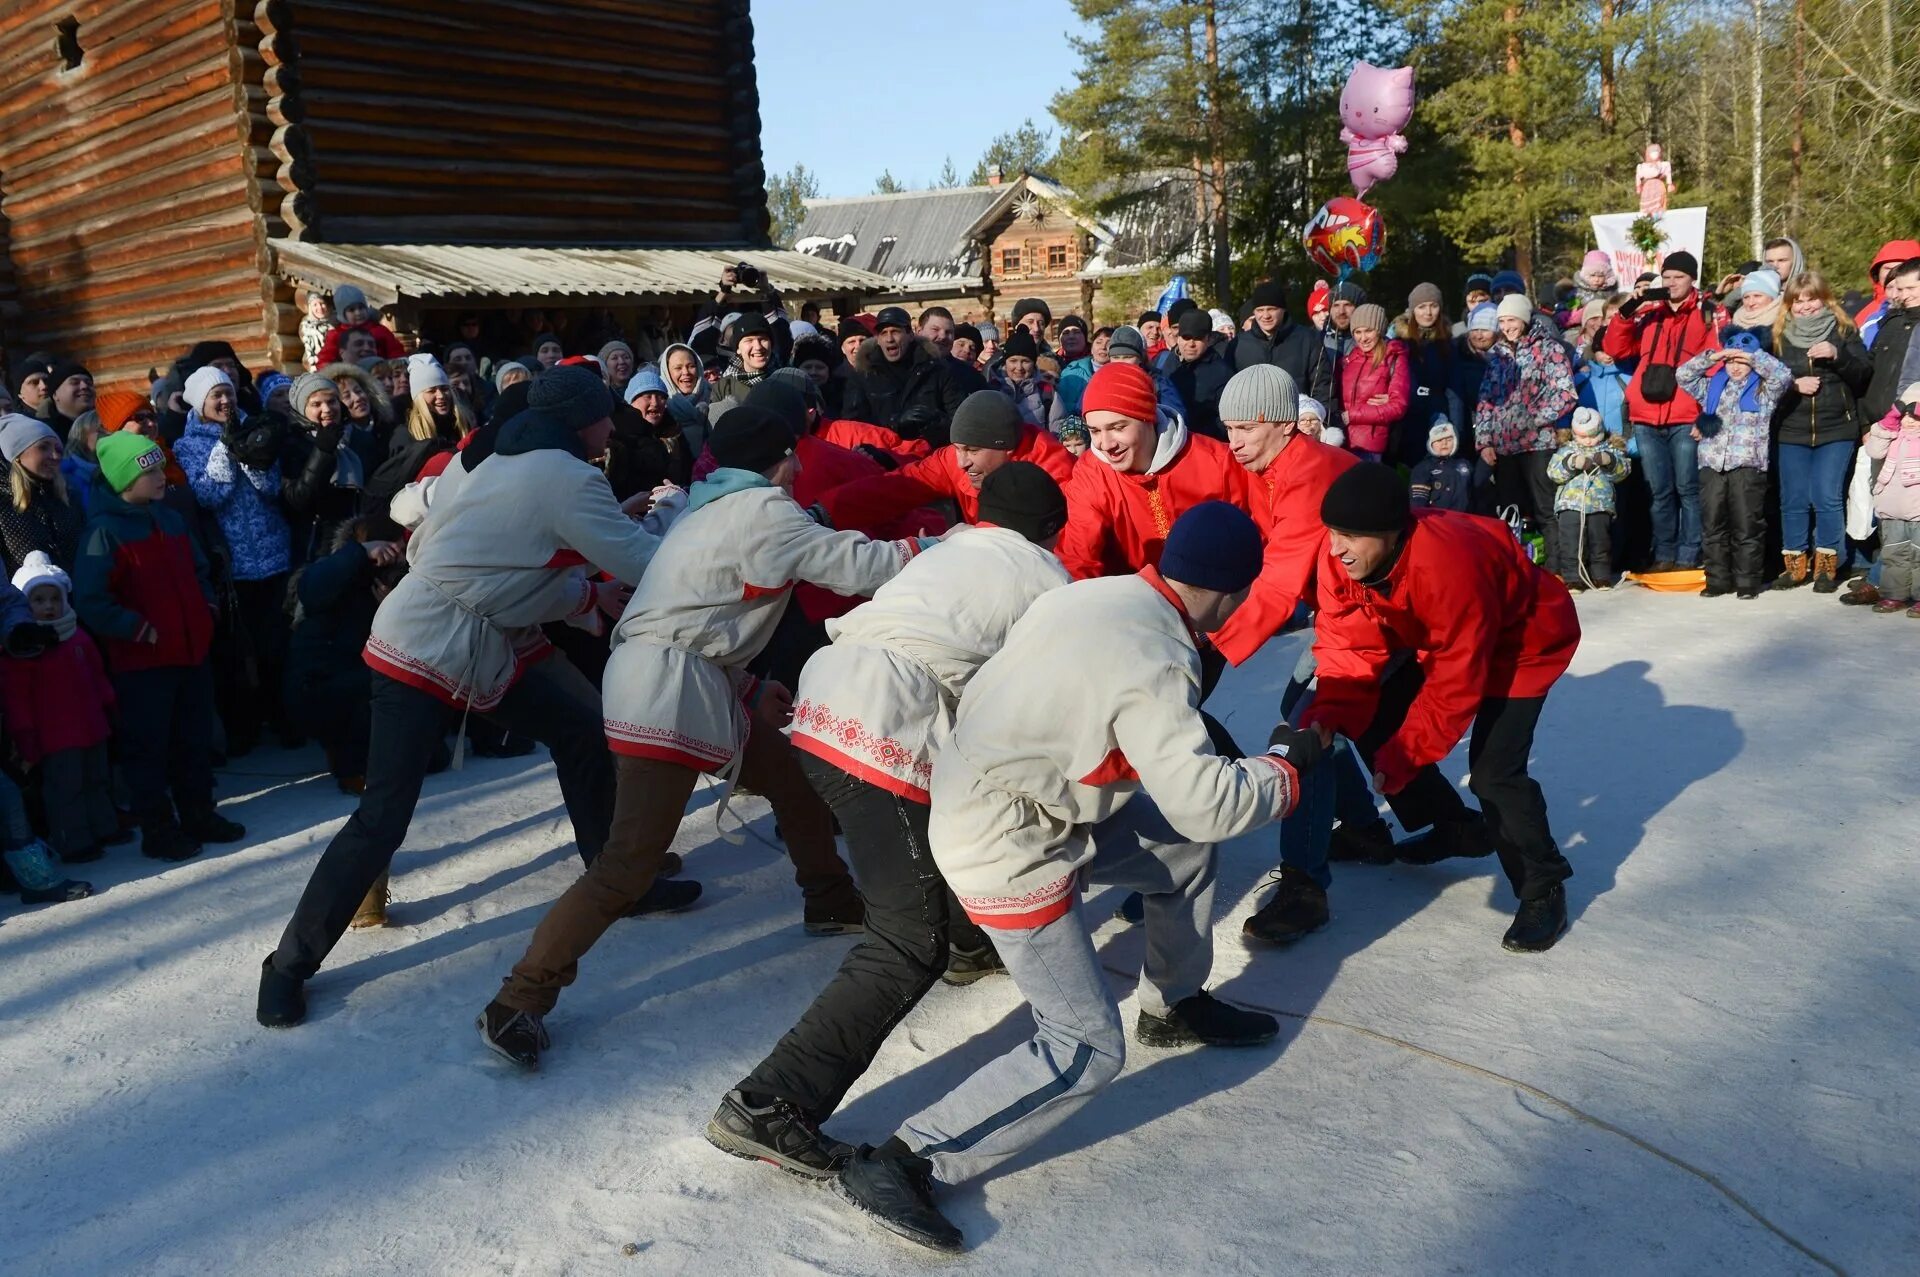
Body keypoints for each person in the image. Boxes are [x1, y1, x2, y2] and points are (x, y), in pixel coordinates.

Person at [829, 502, 1319, 1254]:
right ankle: (907, 1158)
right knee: (1085, 1043)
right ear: (1233, 592)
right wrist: (1286, 768)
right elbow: (1207, 800)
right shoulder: (1159, 656)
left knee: (1181, 852)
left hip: (1018, 801)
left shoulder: (1096, 592)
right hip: (1005, 844)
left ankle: (1174, 1001)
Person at [478, 404, 928, 1067]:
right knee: (627, 864)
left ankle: (830, 898)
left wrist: (745, 687)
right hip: (668, 693)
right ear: (779, 458)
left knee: (794, 779)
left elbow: (695, 611)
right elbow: (859, 565)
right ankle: (518, 999)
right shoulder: (764, 511)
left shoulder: (709, 510)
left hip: (677, 681)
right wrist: (942, 550)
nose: (801, 464)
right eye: (794, 453)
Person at [257, 367, 667, 1028]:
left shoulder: (497, 460)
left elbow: (510, 575)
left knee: (581, 732)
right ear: (580, 420)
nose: (612, 427)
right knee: (384, 814)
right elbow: (648, 563)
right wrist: (716, 547)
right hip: (420, 646)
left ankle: (615, 880)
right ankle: (287, 965)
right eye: (604, 415)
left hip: (479, 648)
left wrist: (588, 596)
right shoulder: (566, 477)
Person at [706, 463, 1074, 1176]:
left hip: (827, 692)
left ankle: (967, 941)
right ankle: (771, 1101)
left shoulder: (950, 547)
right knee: (906, 939)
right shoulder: (1047, 579)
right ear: (1052, 530)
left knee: (928, 835)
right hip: (885, 718)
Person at [1302, 463, 1579, 950]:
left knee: (1495, 773)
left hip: (1523, 644)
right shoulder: (1342, 561)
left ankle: (1542, 885)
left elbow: (1455, 682)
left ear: (1391, 533)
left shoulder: (1448, 564)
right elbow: (1348, 644)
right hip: (1440, 635)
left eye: (1350, 536)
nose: (1336, 547)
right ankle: (1457, 827)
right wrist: (1330, 712)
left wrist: (1403, 759)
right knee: (1369, 712)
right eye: (1332, 533)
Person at [74, 432, 237, 863]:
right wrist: (135, 628)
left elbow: (199, 568)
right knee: (148, 749)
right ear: (126, 480)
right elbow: (91, 600)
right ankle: (158, 828)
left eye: (159, 467)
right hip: (143, 664)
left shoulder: (169, 519)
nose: (161, 476)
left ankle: (199, 814)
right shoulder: (103, 533)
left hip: (190, 653)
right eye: (149, 471)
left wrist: (206, 605)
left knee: (193, 740)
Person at [1055, 363, 1256, 581]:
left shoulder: (1217, 462)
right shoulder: (1092, 473)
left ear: (1148, 418)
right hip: (1134, 601)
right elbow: (1078, 557)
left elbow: (1252, 542)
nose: (1105, 444)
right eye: (1094, 431)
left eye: (1118, 427)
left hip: (1214, 596)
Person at [1, 552, 122, 864]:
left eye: (54, 598)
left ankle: (104, 826)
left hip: (91, 725)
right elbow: (18, 699)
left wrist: (108, 702)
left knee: (96, 779)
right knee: (65, 790)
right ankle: (74, 840)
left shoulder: (78, 635)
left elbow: (97, 673)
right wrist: (25, 736)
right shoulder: (27, 649)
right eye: (38, 600)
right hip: (56, 736)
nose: (48, 606)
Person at [1602, 251, 1718, 572]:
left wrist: (1706, 414)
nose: (1670, 284)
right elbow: (1616, 349)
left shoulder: (1707, 313)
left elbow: (1716, 364)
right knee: (1658, 492)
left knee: (1688, 489)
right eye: (1665, 278)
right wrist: (1628, 309)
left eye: (1677, 277)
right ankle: (1665, 553)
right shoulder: (1649, 313)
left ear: (1692, 279)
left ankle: (1689, 553)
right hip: (1646, 416)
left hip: (1686, 414)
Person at [820, 390, 1072, 532]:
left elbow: (1075, 552)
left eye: (972, 451)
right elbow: (897, 487)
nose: (962, 462)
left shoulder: (1054, 474)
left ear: (1006, 447)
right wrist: (824, 513)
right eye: (958, 449)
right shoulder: (953, 459)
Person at [1772, 271, 1871, 592]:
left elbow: (1863, 376)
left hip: (1837, 427)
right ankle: (1795, 564)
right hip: (1792, 428)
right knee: (1794, 499)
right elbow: (1764, 383)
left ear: (1824, 298)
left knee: (1826, 495)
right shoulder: (1778, 335)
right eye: (1797, 300)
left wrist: (1837, 355)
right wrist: (1792, 385)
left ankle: (1828, 565)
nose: (1804, 306)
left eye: (1810, 298)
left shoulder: (1843, 330)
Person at [1677, 334, 1791, 598]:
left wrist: (1755, 357)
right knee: (1713, 524)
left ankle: (1747, 582)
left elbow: (1783, 375)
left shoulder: (1764, 389)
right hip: (1712, 463)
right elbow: (1683, 376)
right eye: (1731, 361)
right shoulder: (1712, 387)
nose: (1735, 367)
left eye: (1742, 361)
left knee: (1746, 524)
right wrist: (1712, 357)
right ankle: (1717, 580)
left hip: (1747, 465)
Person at [1475, 294, 1576, 565]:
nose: (1507, 326)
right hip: (1504, 447)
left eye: (1512, 320)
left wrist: (1535, 419)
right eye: (1502, 321)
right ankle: (1517, 566)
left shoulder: (1548, 349)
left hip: (1537, 444)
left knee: (1545, 507)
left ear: (1524, 318)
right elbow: (1485, 400)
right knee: (1511, 511)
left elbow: (1566, 393)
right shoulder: (1497, 356)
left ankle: (1557, 566)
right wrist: (1484, 441)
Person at [841, 307, 965, 446]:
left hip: (931, 455)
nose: (889, 339)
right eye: (883, 333)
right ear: (878, 339)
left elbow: (961, 421)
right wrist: (894, 424)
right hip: (883, 455)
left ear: (910, 335)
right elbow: (853, 426)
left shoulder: (937, 369)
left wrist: (936, 421)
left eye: (895, 332)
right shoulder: (864, 373)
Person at [1546, 408, 1630, 590]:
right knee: (1571, 541)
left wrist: (1610, 461)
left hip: (1600, 504)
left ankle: (1601, 577)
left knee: (1600, 541)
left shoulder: (1610, 448)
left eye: (1594, 435)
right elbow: (1553, 473)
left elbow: (1622, 473)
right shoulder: (1566, 449)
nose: (1589, 441)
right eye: (1583, 437)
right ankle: (1572, 578)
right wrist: (1570, 463)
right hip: (1570, 504)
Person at [0, 414, 83, 577]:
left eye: (58, 449)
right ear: (17, 454)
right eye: (43, 447)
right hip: (22, 600)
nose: (55, 456)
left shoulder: (67, 497)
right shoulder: (3, 504)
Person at [1862, 384, 1920, 615]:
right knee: (1894, 555)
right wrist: (1889, 421)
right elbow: (1874, 450)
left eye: (1916, 414)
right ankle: (1895, 595)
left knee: (1919, 556)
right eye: (1905, 413)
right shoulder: (1891, 435)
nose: (1909, 420)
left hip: (1918, 510)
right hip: (1892, 508)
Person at [1393, 283, 1457, 466]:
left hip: (1439, 420)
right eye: (1421, 307)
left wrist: (1457, 427)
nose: (1428, 312)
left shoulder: (1448, 344)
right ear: (1413, 310)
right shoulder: (1400, 344)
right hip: (1407, 422)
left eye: (1433, 306)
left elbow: (1453, 390)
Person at [1338, 303, 1410, 462]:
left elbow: (1398, 406)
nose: (1363, 338)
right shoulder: (1350, 358)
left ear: (1380, 330)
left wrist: (1352, 415)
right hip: (1342, 441)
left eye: (1368, 331)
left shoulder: (1394, 357)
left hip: (1369, 447)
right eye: (1357, 332)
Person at [1230, 281, 1321, 388]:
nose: (1265, 315)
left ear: (1283, 310)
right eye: (1260, 310)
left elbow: (1321, 386)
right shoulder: (1237, 345)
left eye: (1271, 309)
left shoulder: (1308, 340)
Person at [1166, 308, 1233, 441]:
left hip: (1205, 446)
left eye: (1198, 338)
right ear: (1178, 338)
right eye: (1186, 337)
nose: (1191, 344)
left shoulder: (1222, 373)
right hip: (1169, 444)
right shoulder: (1169, 363)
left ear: (1208, 339)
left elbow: (1228, 422)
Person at [1410, 419, 1484, 512]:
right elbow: (1418, 501)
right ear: (1431, 443)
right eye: (1439, 440)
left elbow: (1478, 490)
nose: (1444, 443)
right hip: (1438, 520)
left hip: (1465, 518)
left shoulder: (1465, 465)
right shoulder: (1423, 468)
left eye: (1449, 439)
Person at [987, 329, 1053, 427]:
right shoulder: (991, 388)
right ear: (1005, 362)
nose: (1019, 367)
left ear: (1033, 363)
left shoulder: (1046, 392)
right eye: (1013, 361)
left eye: (1025, 361)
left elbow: (1057, 428)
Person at [299, 289, 336, 371]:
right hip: (319, 370)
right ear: (310, 308)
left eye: (322, 304)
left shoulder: (335, 324)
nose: (319, 307)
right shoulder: (307, 328)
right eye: (315, 305)